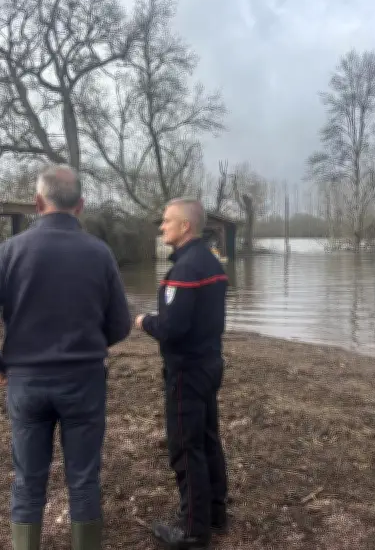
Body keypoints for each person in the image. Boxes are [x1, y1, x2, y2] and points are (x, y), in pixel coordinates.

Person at [0, 165, 131, 550]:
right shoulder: (99, 252)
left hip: (26, 381)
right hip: (84, 379)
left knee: (27, 479)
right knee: (84, 478)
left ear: (37, 203)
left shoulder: (10, 251)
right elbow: (121, 324)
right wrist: (91, 344)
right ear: (81, 205)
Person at [134, 198, 229, 550]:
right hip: (209, 363)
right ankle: (215, 514)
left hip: (187, 370)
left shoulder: (187, 268)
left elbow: (173, 328)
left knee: (186, 447)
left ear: (185, 226)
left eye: (167, 221)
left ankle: (192, 531)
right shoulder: (211, 262)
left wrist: (146, 322)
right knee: (207, 438)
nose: (162, 227)